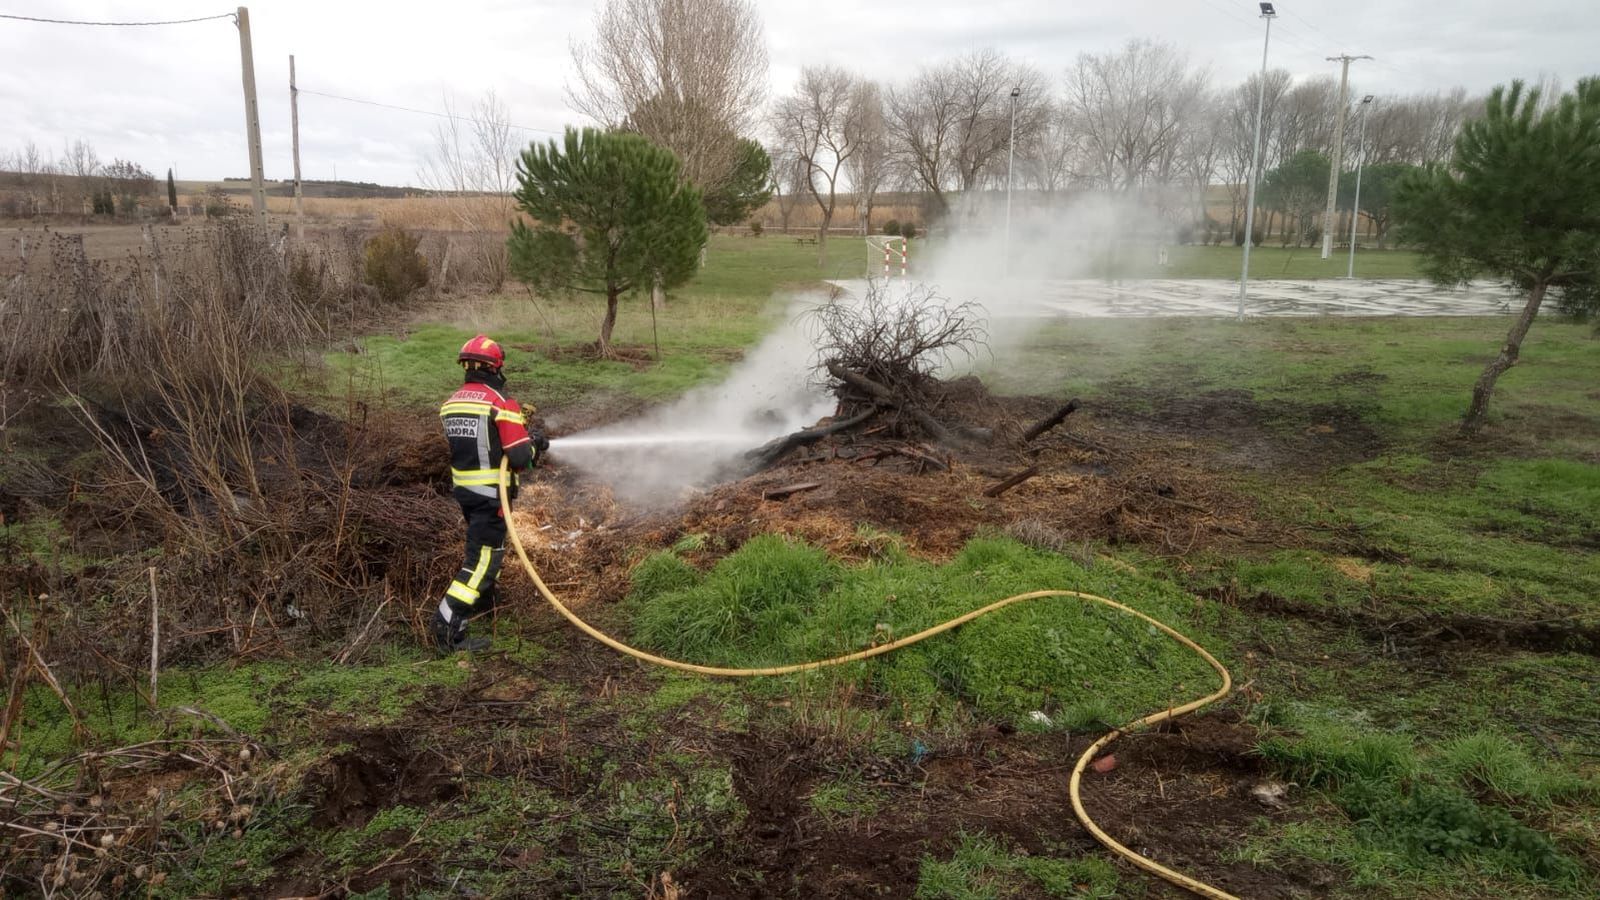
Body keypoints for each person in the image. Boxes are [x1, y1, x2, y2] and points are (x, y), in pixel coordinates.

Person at [432, 335, 548, 652]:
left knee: (484, 551)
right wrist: (535, 444)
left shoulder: (452, 404)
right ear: (496, 367)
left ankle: (485, 606)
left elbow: (482, 445)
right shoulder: (500, 404)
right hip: (492, 498)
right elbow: (520, 457)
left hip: (466, 493)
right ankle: (447, 625)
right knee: (482, 561)